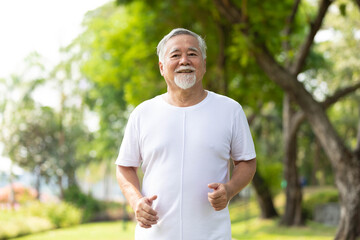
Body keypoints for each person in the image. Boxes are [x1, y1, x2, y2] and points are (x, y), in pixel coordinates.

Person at [115, 28, 256, 240]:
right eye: (175, 55)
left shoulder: (230, 110)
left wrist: (229, 189)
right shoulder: (142, 114)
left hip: (213, 235)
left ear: (204, 64)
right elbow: (125, 167)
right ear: (162, 67)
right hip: (155, 235)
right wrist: (136, 201)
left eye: (192, 54)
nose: (184, 61)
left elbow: (246, 162)